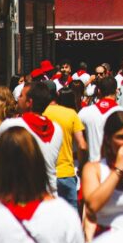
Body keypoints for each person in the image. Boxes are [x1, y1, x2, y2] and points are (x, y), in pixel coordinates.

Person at [81, 111, 123, 235]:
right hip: (106, 241)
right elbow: (92, 206)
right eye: (121, 137)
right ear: (108, 139)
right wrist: (118, 170)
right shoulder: (94, 169)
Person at [0, 82, 64, 193]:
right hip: (50, 197)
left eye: (21, 96)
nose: (17, 99)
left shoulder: (10, 126)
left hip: (20, 198)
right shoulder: (57, 129)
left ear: (29, 102)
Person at [43, 80, 88, 208]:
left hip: (44, 175)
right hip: (67, 172)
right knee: (72, 216)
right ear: (56, 94)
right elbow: (82, 145)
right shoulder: (71, 114)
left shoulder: (38, 114)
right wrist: (82, 165)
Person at [79, 76, 123, 160]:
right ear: (117, 91)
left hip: (92, 167)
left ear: (98, 91)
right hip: (115, 166)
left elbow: (80, 143)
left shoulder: (84, 112)